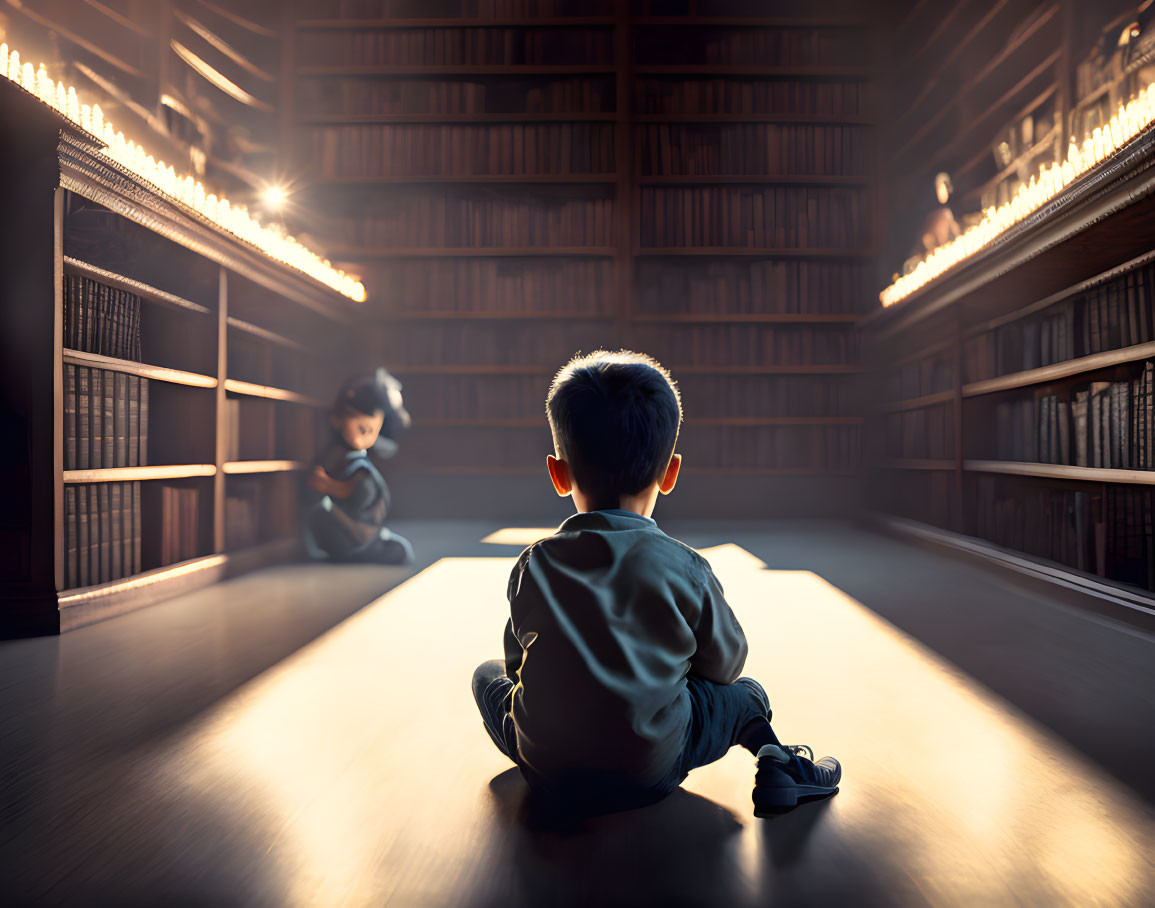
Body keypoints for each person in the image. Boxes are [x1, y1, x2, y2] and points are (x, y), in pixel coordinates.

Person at [471, 350, 840, 816]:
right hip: (649, 772)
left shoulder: (534, 564)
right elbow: (727, 666)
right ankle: (780, 764)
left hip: (548, 772)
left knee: (485, 676)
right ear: (670, 472)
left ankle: (547, 750)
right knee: (747, 695)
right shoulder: (684, 566)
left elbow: (515, 665)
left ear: (558, 473)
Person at [304, 368, 414, 566]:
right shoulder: (346, 459)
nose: (365, 435)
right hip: (352, 528)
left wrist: (328, 486)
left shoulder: (360, 465)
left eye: (372, 430)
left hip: (363, 526)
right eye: (360, 428)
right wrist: (327, 486)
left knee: (400, 550)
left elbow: (348, 488)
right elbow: (346, 489)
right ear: (337, 420)